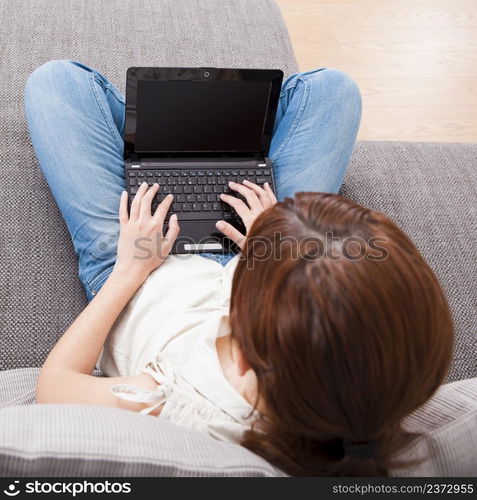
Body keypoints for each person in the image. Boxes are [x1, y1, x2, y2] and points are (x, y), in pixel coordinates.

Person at [24, 61, 453, 476]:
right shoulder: (369, 387)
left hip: (139, 270)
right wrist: (269, 249)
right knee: (333, 90)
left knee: (57, 82)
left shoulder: (180, 399)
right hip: (259, 263)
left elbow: (56, 387)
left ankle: (156, 140)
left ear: (245, 359)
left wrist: (128, 270)